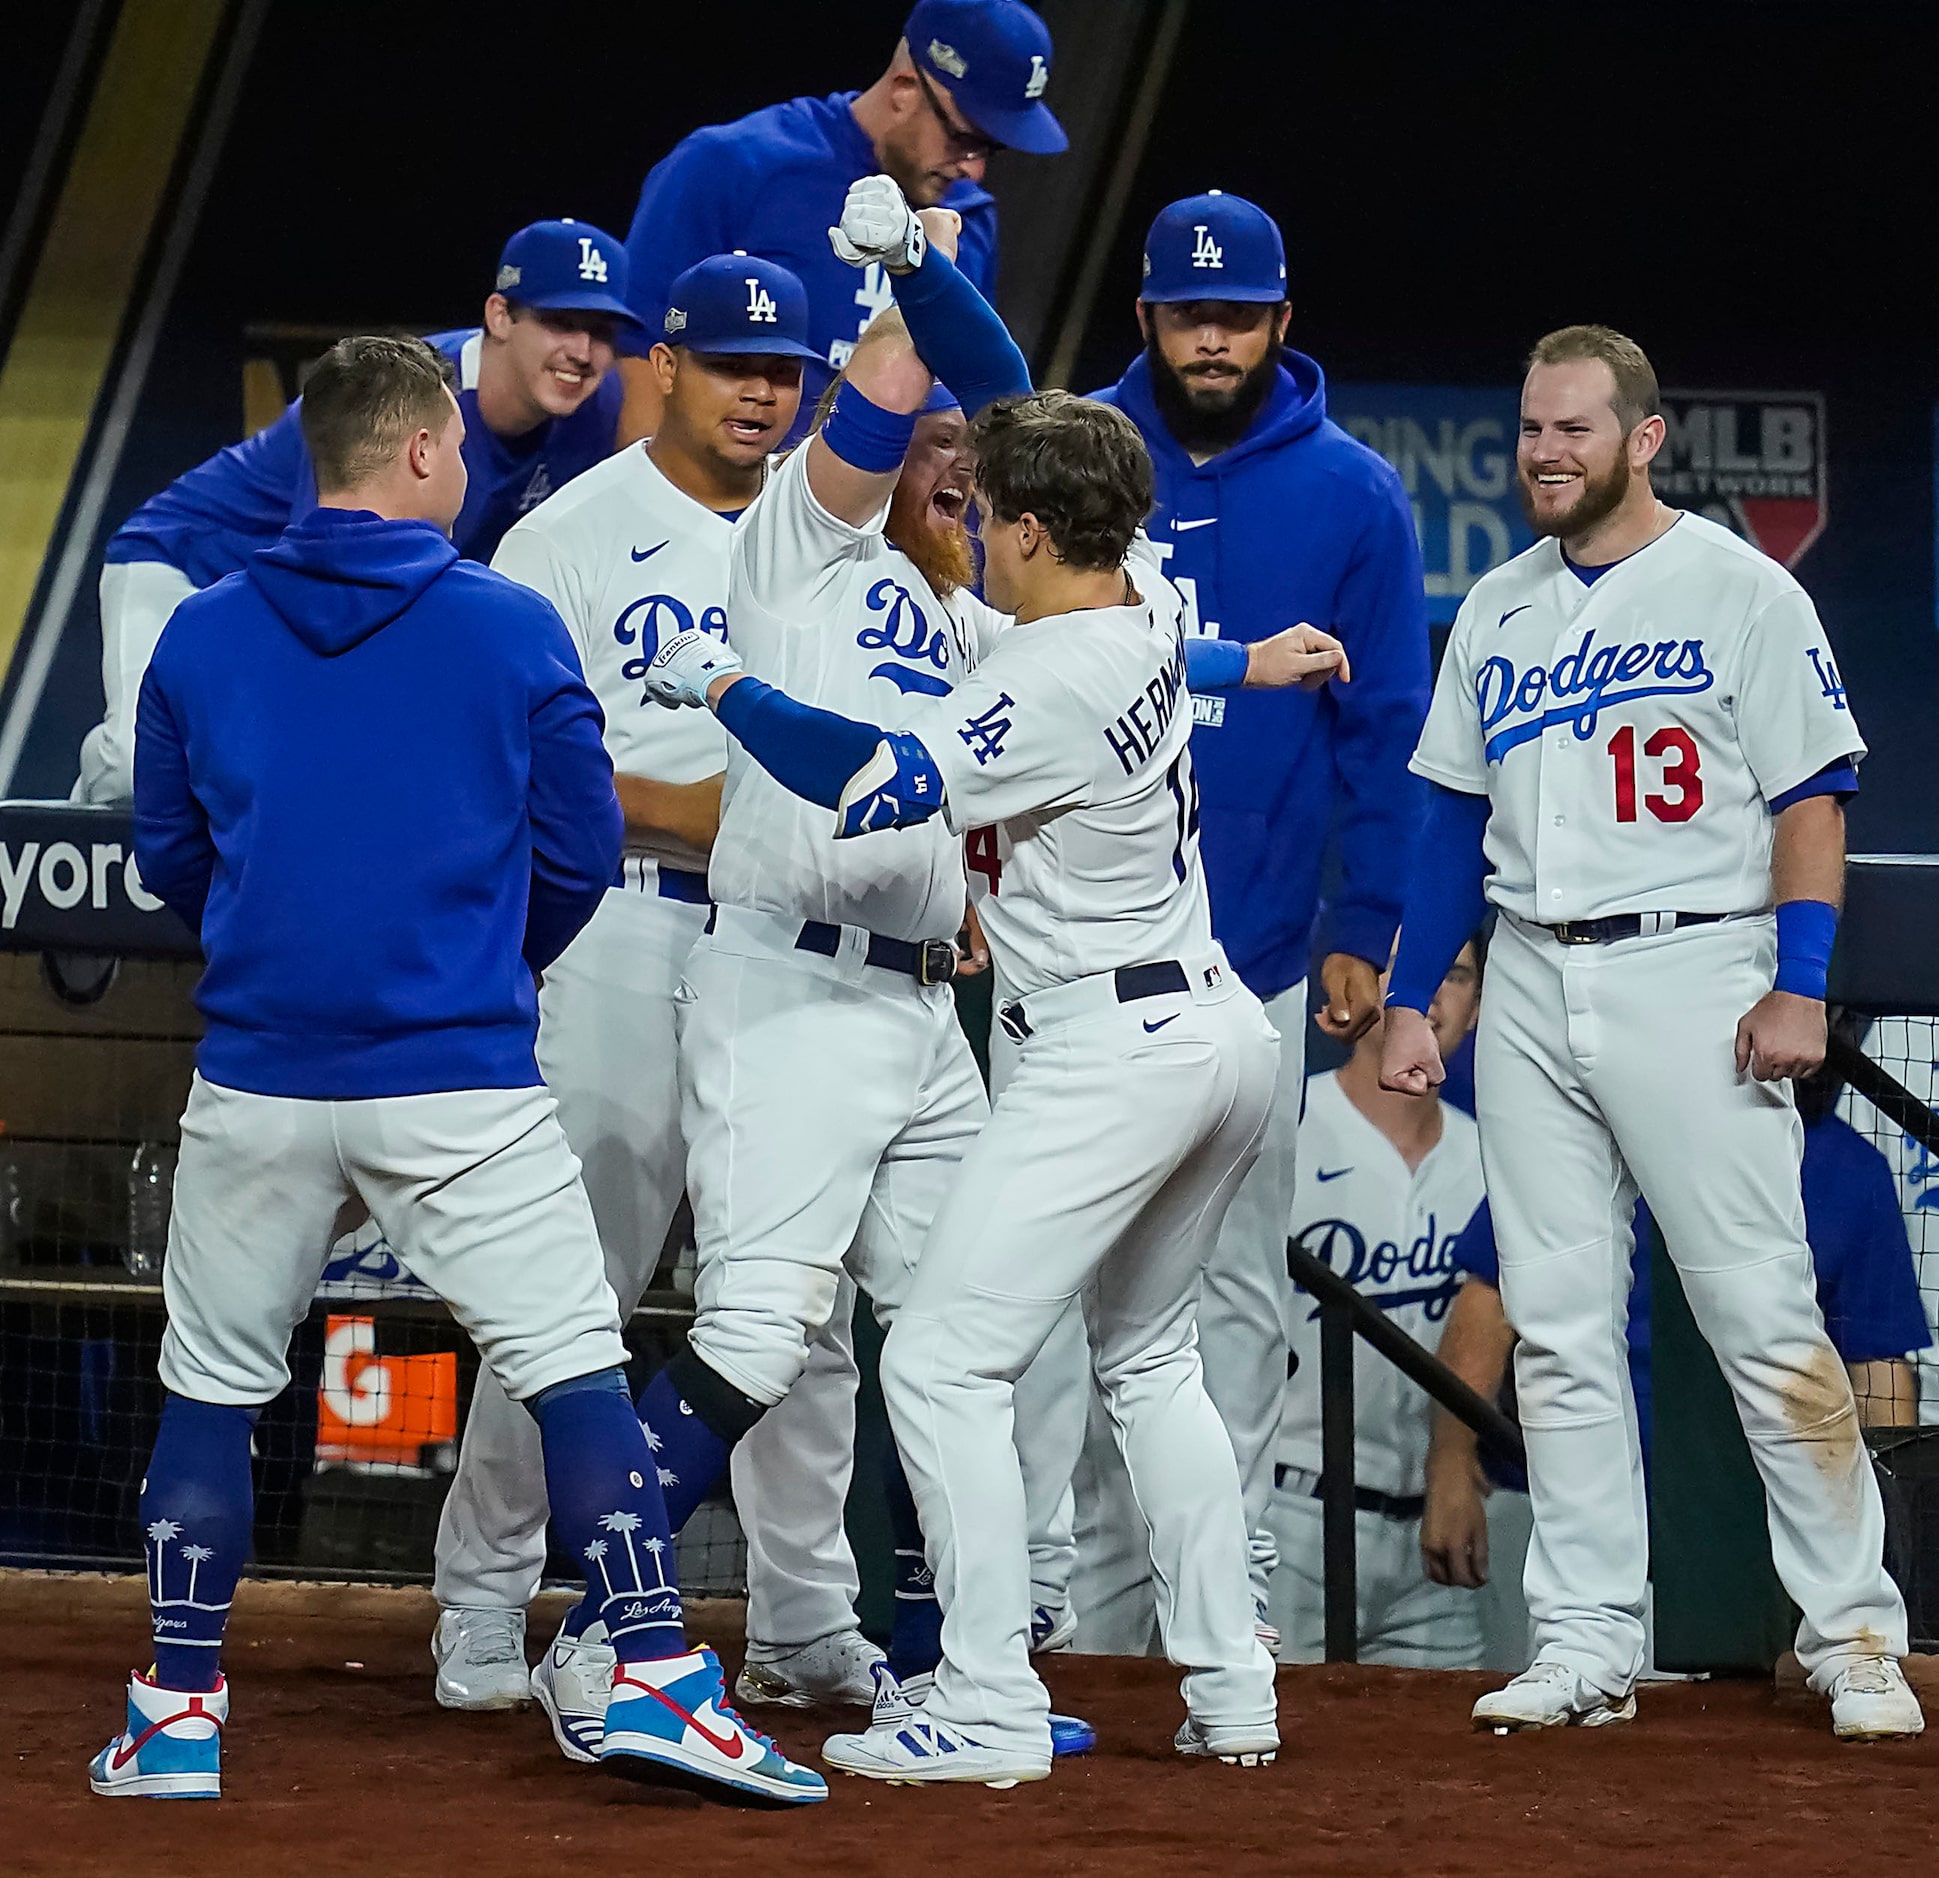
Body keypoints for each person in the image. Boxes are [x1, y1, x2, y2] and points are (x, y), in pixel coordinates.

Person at [92, 333, 822, 1805]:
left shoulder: (203, 632)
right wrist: (488, 970)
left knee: (214, 1393)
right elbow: (573, 853)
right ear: (422, 450)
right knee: (572, 1373)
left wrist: (282, 940)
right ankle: (658, 1676)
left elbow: (171, 856)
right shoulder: (503, 624)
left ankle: (175, 1705)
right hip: (462, 1074)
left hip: (260, 1070)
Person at [640, 360, 1348, 1781]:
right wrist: (914, 259)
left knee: (947, 1357)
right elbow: (1166, 647)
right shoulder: (1144, 609)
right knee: (1151, 1362)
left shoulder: (1039, 666)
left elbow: (873, 782)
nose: (975, 523)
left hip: (1110, 1051)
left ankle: (983, 1696)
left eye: (993, 512)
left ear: (1029, 531)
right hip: (1215, 1030)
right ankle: (1232, 1687)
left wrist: (720, 682)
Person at [1379, 322, 1923, 1741]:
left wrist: (1797, 982)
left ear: (1640, 437)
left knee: (1756, 1310)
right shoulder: (1495, 607)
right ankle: (1583, 1635)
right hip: (1531, 979)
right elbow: (1442, 815)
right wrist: (1402, 993)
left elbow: (1811, 797)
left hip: (1693, 968)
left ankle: (1853, 1633)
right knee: (1556, 1326)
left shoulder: (1738, 588)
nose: (1542, 452)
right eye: (1527, 429)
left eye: (1571, 427)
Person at [427, 254, 878, 1737]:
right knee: (573, 1289)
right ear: (664, 366)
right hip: (623, 928)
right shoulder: (566, 534)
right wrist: (704, 813)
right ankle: (486, 1597)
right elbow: (498, 765)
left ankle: (803, 1620)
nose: (763, 390)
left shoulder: (835, 535)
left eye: (786, 368)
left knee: (792, 1302)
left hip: (797, 948)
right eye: (735, 362)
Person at [1066, 191, 1431, 1652]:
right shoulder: (1079, 454)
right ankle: (1079, 1607)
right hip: (1076, 948)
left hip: (1261, 948)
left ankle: (1225, 1598)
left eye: (1234, 313)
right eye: (1183, 311)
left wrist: (1369, 912)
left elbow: (1386, 725)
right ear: (1143, 317)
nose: (1207, 336)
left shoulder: (1351, 493)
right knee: (1065, 1296)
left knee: (1228, 1286)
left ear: (1281, 321)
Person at [77, 219, 638, 807]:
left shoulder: (601, 412)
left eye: (601, 331)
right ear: (499, 316)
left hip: (304, 583)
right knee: (135, 767)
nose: (582, 352)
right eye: (560, 323)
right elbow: (324, 561)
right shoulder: (401, 395)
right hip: (186, 564)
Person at [1425, 1024, 1933, 1611]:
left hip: (1751, 1519)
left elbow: (1877, 1366)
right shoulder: (1595, 1132)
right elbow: (1491, 1301)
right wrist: (1450, 1464)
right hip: (1552, 1493)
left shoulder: (1851, 1169)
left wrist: (1869, 1520)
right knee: (1533, 1689)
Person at [616, 0, 1064, 445]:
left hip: (874, 511)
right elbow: (639, 360)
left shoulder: (967, 219)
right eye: (965, 139)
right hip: (723, 505)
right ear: (906, 87)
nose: (973, 170)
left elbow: (967, 400)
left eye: (992, 149)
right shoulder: (733, 166)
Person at [1265, 942, 1486, 1667]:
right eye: (1402, 973)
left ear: (1478, 1005)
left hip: (1437, 1523)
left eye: (1455, 976)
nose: (1429, 995)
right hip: (1289, 1511)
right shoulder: (1285, 1132)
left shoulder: (1494, 1156)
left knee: (1455, 1772)